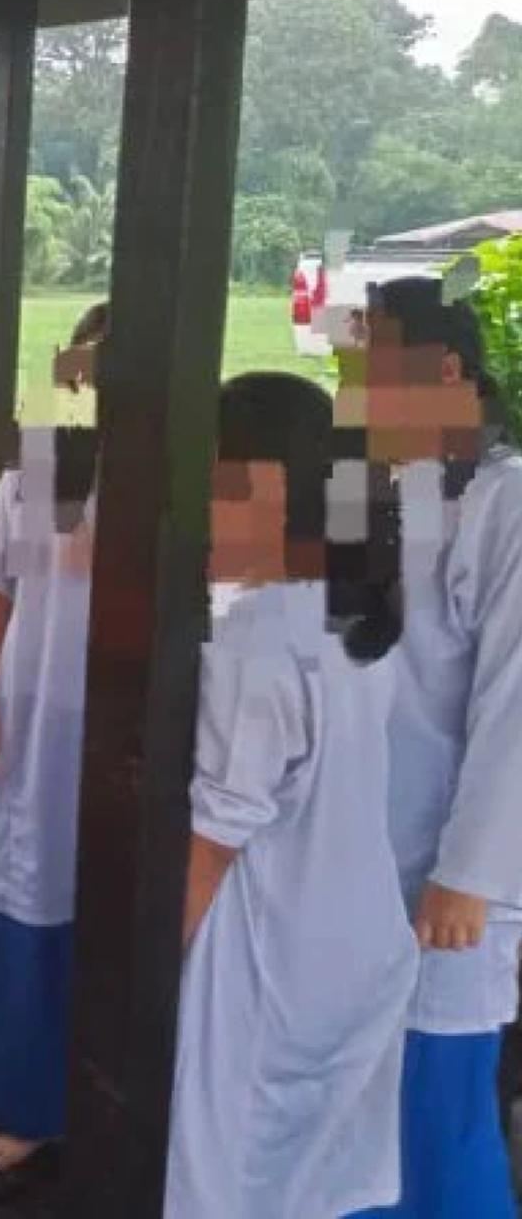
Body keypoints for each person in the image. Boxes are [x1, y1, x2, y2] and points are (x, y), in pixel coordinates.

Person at [167, 372, 415, 1218]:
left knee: (221, 1179)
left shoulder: (258, 638)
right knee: (315, 1182)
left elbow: (216, 835)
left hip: (270, 961)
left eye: (210, 483)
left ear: (267, 488)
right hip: (359, 946)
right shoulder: (361, 606)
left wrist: (148, 974)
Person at [347, 277, 522, 1219]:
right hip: (353, 854)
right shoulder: (363, 487)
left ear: (445, 370)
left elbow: (516, 707)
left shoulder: (507, 505)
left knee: (437, 1104)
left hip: (445, 878)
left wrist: (471, 871)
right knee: (357, 1102)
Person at [0, 301, 109, 1171]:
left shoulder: (173, 480)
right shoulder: (33, 475)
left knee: (111, 900)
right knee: (25, 894)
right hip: (33, 705)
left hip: (122, 719)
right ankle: (32, 1099)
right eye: (80, 371)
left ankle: (108, 1088)